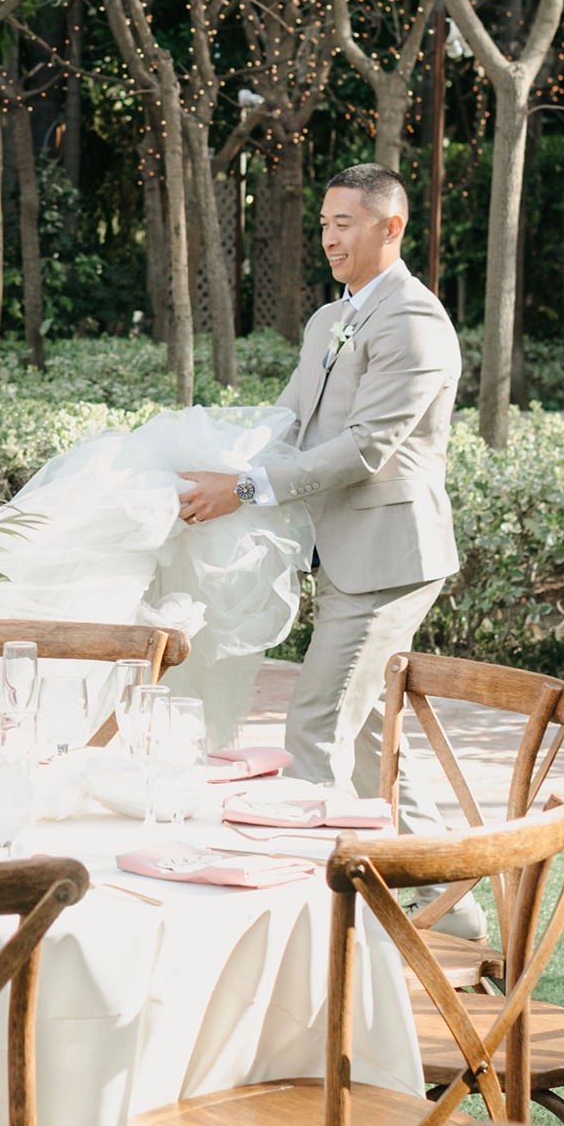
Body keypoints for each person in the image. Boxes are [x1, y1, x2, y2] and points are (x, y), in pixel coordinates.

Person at [175, 164, 461, 835]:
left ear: (391, 227)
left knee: (314, 725)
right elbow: (290, 423)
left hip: (389, 560)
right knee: (365, 737)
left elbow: (365, 447)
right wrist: (216, 469)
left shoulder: (414, 320)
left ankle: (311, 904)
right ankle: (443, 898)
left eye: (344, 224)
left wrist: (242, 489)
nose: (329, 239)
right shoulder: (330, 318)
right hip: (339, 555)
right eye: (324, 224)